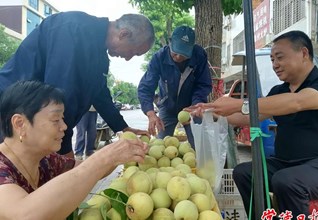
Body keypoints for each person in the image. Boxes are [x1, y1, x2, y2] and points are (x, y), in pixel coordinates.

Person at [187, 30, 318, 218]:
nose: (275, 65)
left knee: (286, 181)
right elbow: (248, 117)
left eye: (279, 58)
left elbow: (298, 102)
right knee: (244, 173)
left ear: (304, 53)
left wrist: (239, 103)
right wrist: (211, 113)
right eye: (272, 60)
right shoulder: (278, 91)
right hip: (286, 163)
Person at [0, 11, 155, 157]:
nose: (128, 58)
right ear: (124, 34)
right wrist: (64, 149)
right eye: (134, 52)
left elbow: (100, 94)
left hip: (38, 122)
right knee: (15, 175)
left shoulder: (100, 57)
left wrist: (122, 127)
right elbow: (58, 97)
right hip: (12, 112)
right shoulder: (72, 30)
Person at [0, 81, 148, 219]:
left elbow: (87, 171)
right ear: (20, 123)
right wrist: (104, 157)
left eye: (62, 119)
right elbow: (22, 215)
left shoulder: (47, 161)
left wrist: (119, 153)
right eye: (55, 119)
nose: (64, 126)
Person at [138, 25, 212, 143]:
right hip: (167, 107)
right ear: (170, 43)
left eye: (183, 55)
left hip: (191, 108)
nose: (178, 57)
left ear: (192, 49)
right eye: (175, 53)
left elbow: (203, 84)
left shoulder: (199, 55)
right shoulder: (159, 58)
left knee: (199, 143)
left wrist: (196, 105)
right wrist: (150, 113)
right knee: (161, 144)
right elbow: (146, 87)